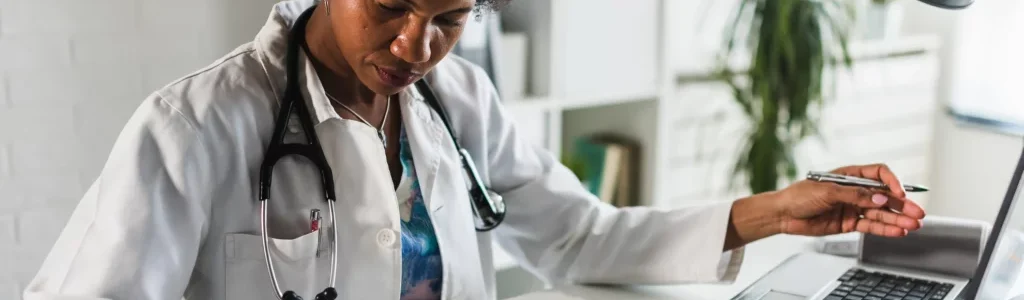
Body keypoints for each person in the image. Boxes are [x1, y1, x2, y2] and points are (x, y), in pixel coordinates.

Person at [23, 0, 926, 299]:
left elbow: (580, 237)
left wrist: (774, 211)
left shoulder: (454, 98)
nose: (418, 47)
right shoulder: (196, 126)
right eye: (391, 8)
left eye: (451, 17)